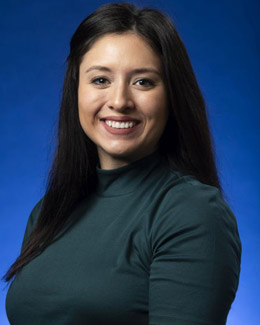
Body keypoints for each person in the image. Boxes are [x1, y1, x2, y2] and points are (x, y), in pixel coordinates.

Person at [3, 2, 242, 325]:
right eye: (100, 80)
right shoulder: (50, 211)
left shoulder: (193, 213)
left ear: (172, 96)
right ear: (76, 90)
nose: (119, 101)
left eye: (143, 82)